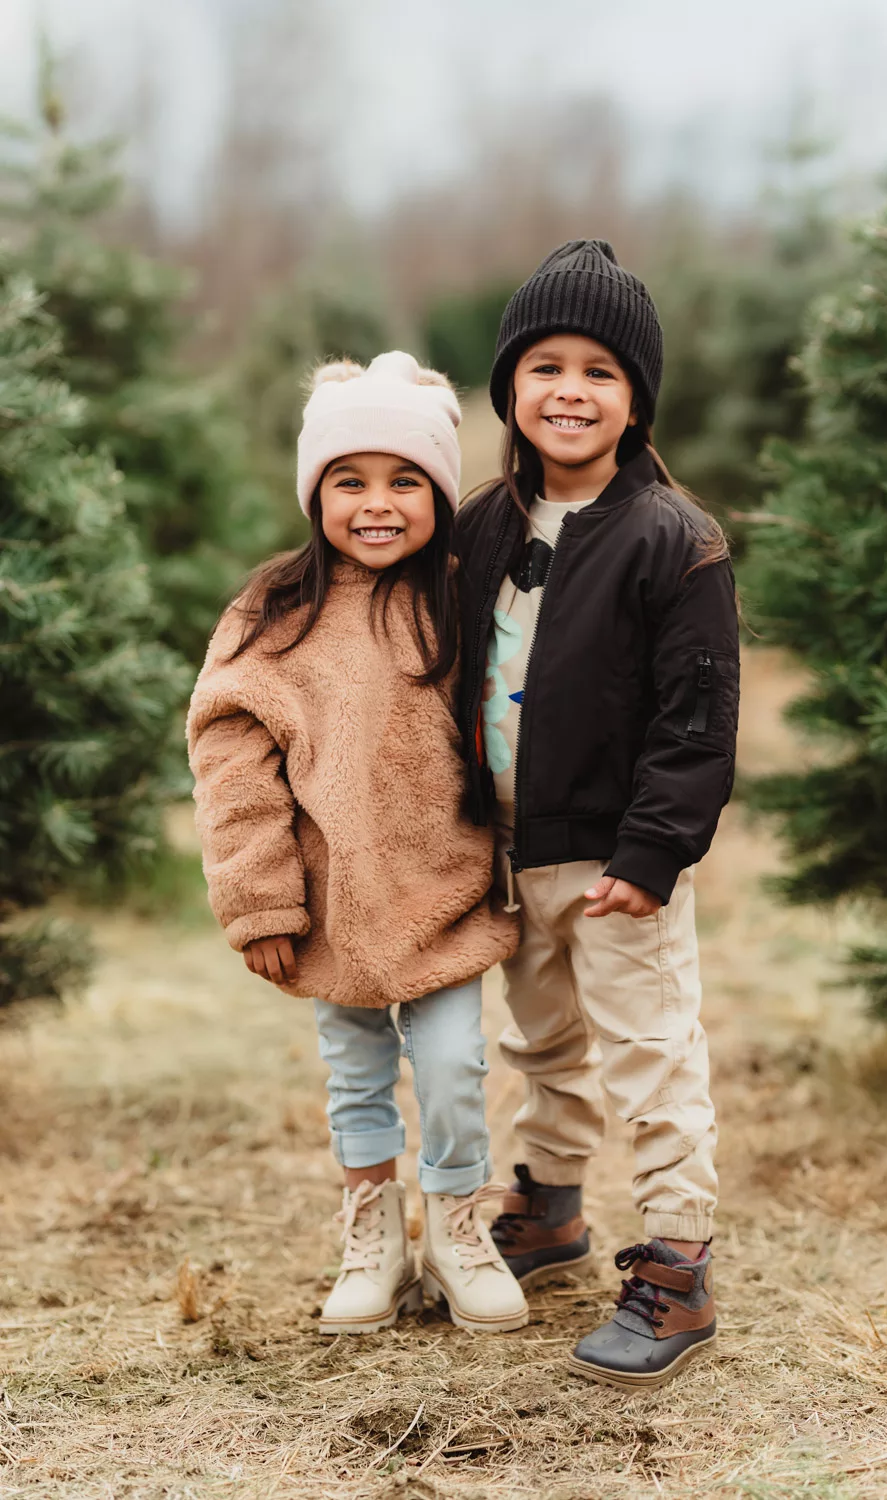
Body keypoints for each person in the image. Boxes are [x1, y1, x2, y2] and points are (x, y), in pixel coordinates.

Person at [187, 352, 527, 1337]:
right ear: (315, 493)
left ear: (436, 491)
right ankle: (371, 1238)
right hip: (329, 911)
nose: (376, 504)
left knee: (457, 1070)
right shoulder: (273, 613)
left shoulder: (464, 602)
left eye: (403, 481)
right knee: (356, 1080)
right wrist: (259, 904)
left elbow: (512, 731)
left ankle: (458, 1232)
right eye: (349, 481)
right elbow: (231, 763)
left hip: (446, 897)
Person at [454, 241, 739, 1387]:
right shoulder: (477, 527)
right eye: (545, 366)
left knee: (647, 1053)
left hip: (619, 861)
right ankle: (552, 1209)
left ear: (634, 401)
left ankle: (674, 1266)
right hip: (512, 852)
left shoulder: (673, 540)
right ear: (511, 391)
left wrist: (655, 848)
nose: (569, 390)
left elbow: (696, 718)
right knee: (539, 1043)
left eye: (599, 372)